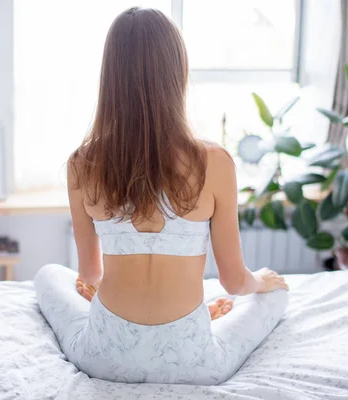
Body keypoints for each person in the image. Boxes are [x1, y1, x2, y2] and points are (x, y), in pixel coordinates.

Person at [34, 7, 289, 385]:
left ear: (111, 78)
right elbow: (235, 283)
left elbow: (90, 275)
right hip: (195, 362)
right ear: (177, 74)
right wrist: (263, 281)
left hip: (104, 357)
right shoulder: (214, 163)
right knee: (275, 294)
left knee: (49, 275)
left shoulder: (82, 164)